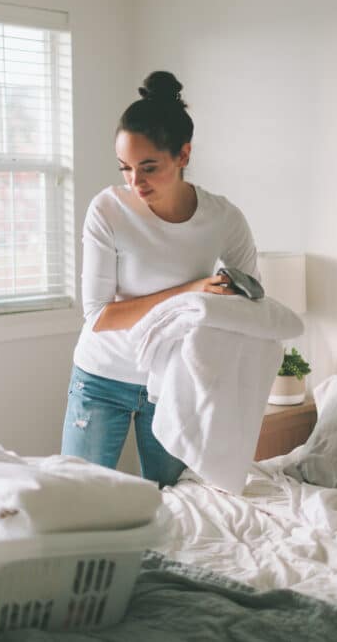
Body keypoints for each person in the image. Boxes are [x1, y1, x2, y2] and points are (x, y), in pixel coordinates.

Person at [61, 71, 260, 487]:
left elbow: (252, 302)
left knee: (171, 503)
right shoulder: (108, 210)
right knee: (78, 498)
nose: (135, 182)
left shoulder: (222, 218)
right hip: (100, 377)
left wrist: (225, 296)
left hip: (173, 384)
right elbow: (99, 316)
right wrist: (190, 291)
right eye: (125, 168)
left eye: (149, 167)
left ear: (183, 155)